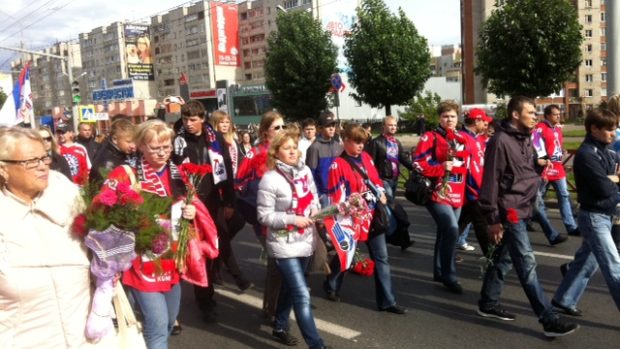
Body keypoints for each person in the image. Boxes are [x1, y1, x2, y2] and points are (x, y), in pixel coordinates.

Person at [0, 127, 113, 347]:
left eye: (44, 157)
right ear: (3, 169)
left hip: (87, 339)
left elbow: (100, 255)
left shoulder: (66, 194)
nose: (43, 165)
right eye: (31, 161)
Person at [477, 96, 578, 337]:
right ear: (515, 114)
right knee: (527, 264)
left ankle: (487, 302)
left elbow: (523, 167)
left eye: (536, 112)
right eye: (531, 112)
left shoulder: (525, 139)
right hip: (510, 210)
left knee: (505, 258)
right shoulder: (500, 141)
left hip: (525, 205)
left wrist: (537, 165)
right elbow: (490, 181)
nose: (535, 116)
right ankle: (548, 318)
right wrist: (492, 219)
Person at [102, 119, 206, 348]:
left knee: (169, 322)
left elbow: (189, 209)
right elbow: (100, 211)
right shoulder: (124, 173)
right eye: (155, 147)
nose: (162, 153)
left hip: (172, 258)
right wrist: (127, 214)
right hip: (140, 260)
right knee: (158, 325)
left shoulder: (177, 173)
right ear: (140, 146)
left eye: (166, 147)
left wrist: (191, 212)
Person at [257, 130, 330, 349]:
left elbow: (313, 197)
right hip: (283, 244)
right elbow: (264, 216)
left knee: (290, 288)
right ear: (276, 152)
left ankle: (279, 326)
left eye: (295, 147)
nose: (292, 151)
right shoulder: (270, 178)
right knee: (301, 293)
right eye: (287, 148)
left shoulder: (305, 170)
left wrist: (318, 213)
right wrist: (292, 219)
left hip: (306, 241)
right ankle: (316, 344)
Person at [323, 123, 407, 315]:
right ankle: (332, 283)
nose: (361, 145)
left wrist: (381, 193)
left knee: (382, 257)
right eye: (356, 141)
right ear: (345, 142)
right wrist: (352, 205)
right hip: (350, 219)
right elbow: (336, 197)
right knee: (347, 254)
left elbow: (375, 181)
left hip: (371, 216)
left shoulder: (367, 158)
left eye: (363, 142)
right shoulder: (338, 164)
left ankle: (387, 301)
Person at [552, 108, 620, 317]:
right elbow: (604, 188)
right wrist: (613, 181)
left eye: (615, 128)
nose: (614, 133)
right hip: (594, 217)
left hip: (607, 214)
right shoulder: (586, 155)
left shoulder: (607, 153)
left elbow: (611, 183)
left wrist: (612, 180)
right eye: (609, 129)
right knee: (614, 266)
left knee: (585, 263)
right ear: (594, 129)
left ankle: (564, 300)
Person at [172, 101, 235, 322]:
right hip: (190, 204)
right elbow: (174, 173)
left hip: (213, 201)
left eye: (193, 119)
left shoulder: (215, 138)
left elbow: (226, 168)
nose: (188, 124)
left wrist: (229, 201)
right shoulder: (177, 141)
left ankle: (216, 276)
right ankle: (205, 301)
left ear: (202, 119)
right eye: (185, 119)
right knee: (197, 253)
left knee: (219, 244)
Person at [412, 100, 470, 294]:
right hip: (437, 192)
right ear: (439, 118)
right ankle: (449, 275)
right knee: (452, 230)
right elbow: (418, 163)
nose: (449, 119)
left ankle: (438, 271)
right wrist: (439, 168)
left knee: (444, 232)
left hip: (457, 192)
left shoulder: (462, 138)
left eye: (453, 116)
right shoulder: (430, 137)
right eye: (445, 116)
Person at [236, 111, 286, 320]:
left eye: (284, 126)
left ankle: (277, 306)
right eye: (277, 128)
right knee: (277, 263)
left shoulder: (285, 150)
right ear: (266, 132)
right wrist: (256, 201)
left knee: (283, 263)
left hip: (286, 217)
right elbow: (239, 182)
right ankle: (271, 309)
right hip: (265, 220)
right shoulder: (255, 152)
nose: (282, 131)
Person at [210, 110, 253, 291]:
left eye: (227, 122)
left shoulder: (233, 142)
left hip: (232, 190)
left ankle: (217, 260)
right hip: (217, 192)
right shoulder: (213, 143)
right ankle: (237, 276)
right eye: (221, 122)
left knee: (238, 222)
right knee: (222, 234)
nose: (225, 125)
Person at [531, 104, 576, 241]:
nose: (559, 116)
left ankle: (571, 226)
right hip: (545, 168)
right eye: (556, 114)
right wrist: (544, 162)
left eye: (559, 113)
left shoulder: (557, 128)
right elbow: (537, 146)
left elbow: (557, 143)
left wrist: (562, 150)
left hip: (558, 168)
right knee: (539, 199)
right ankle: (535, 222)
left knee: (564, 195)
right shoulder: (540, 128)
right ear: (548, 115)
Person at [455, 108, 492, 255]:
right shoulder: (461, 138)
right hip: (471, 191)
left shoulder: (478, 138)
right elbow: (462, 167)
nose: (486, 125)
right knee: (481, 224)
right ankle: (491, 257)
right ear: (476, 121)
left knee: (459, 225)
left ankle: (446, 252)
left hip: (478, 189)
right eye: (484, 121)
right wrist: (475, 188)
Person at [366, 115, 413, 202]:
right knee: (389, 201)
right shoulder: (376, 142)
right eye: (390, 125)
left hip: (394, 178)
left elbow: (403, 158)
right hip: (383, 179)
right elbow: (370, 163)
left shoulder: (396, 142)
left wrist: (415, 167)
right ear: (383, 126)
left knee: (391, 202)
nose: (393, 127)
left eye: (395, 125)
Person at [305, 111, 343, 207]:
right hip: (323, 195)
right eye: (327, 126)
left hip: (338, 192)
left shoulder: (338, 146)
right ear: (320, 128)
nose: (331, 128)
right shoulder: (314, 148)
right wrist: (318, 194)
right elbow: (310, 174)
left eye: (333, 125)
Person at [89, 117, 136, 186]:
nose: (133, 146)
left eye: (134, 141)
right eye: (128, 141)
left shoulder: (122, 153)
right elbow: (105, 191)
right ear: (115, 139)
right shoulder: (106, 163)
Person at [56, 121, 91, 185]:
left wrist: (86, 186)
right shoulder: (56, 149)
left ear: (71, 133)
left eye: (63, 133)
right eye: (59, 133)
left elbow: (87, 168)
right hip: (62, 186)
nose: (60, 135)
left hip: (79, 186)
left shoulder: (80, 148)